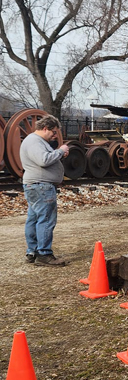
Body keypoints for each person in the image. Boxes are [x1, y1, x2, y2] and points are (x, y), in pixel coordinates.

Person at [19, 114, 69, 266]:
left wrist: (58, 155)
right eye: (54, 132)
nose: (55, 136)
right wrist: (60, 151)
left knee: (34, 219)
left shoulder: (35, 141)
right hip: (41, 186)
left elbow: (45, 158)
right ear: (45, 128)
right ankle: (44, 254)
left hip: (36, 185)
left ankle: (32, 251)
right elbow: (43, 160)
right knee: (46, 219)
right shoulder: (35, 141)